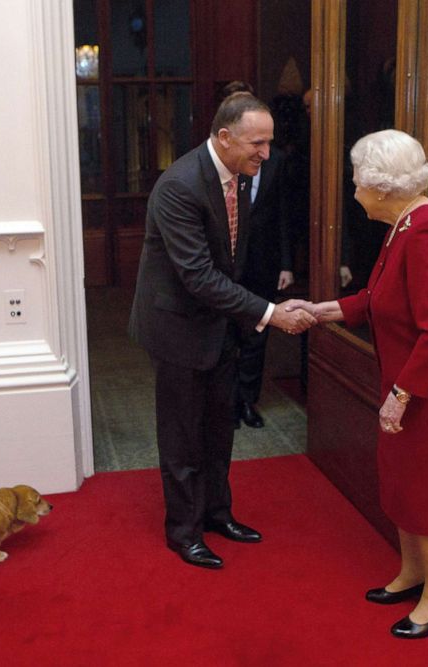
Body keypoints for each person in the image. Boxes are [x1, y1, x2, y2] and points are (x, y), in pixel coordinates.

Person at [299, 129, 428, 639]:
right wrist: (324, 311)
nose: (354, 192)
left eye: (357, 182)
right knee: (400, 477)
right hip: (408, 377)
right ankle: (414, 573)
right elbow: (379, 297)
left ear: (381, 187)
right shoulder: (404, 224)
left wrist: (402, 396)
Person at [128, 93, 316, 570]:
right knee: (182, 436)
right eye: (258, 143)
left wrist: (264, 302)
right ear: (225, 136)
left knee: (218, 428)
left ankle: (217, 514)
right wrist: (270, 314)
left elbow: (234, 262)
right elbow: (199, 277)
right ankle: (184, 532)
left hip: (220, 325)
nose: (266, 153)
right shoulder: (179, 187)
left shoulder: (241, 176)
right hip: (177, 328)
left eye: (269, 143)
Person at [216, 82, 296, 429]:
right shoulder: (214, 164)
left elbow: (284, 213)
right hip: (223, 265)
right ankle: (225, 403)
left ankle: (247, 401)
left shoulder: (275, 161)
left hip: (263, 262)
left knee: (257, 334)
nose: (262, 148)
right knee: (225, 336)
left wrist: (286, 264)